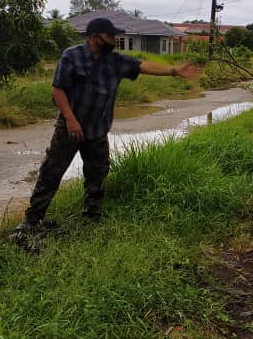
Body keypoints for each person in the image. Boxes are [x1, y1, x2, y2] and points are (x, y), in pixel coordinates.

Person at [11, 17, 200, 247]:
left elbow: (142, 65)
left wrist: (174, 71)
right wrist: (70, 119)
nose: (114, 39)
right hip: (70, 127)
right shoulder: (72, 56)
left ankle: (92, 215)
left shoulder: (114, 61)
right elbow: (58, 89)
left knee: (98, 172)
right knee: (52, 171)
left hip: (97, 129)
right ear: (94, 37)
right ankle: (32, 220)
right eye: (110, 35)